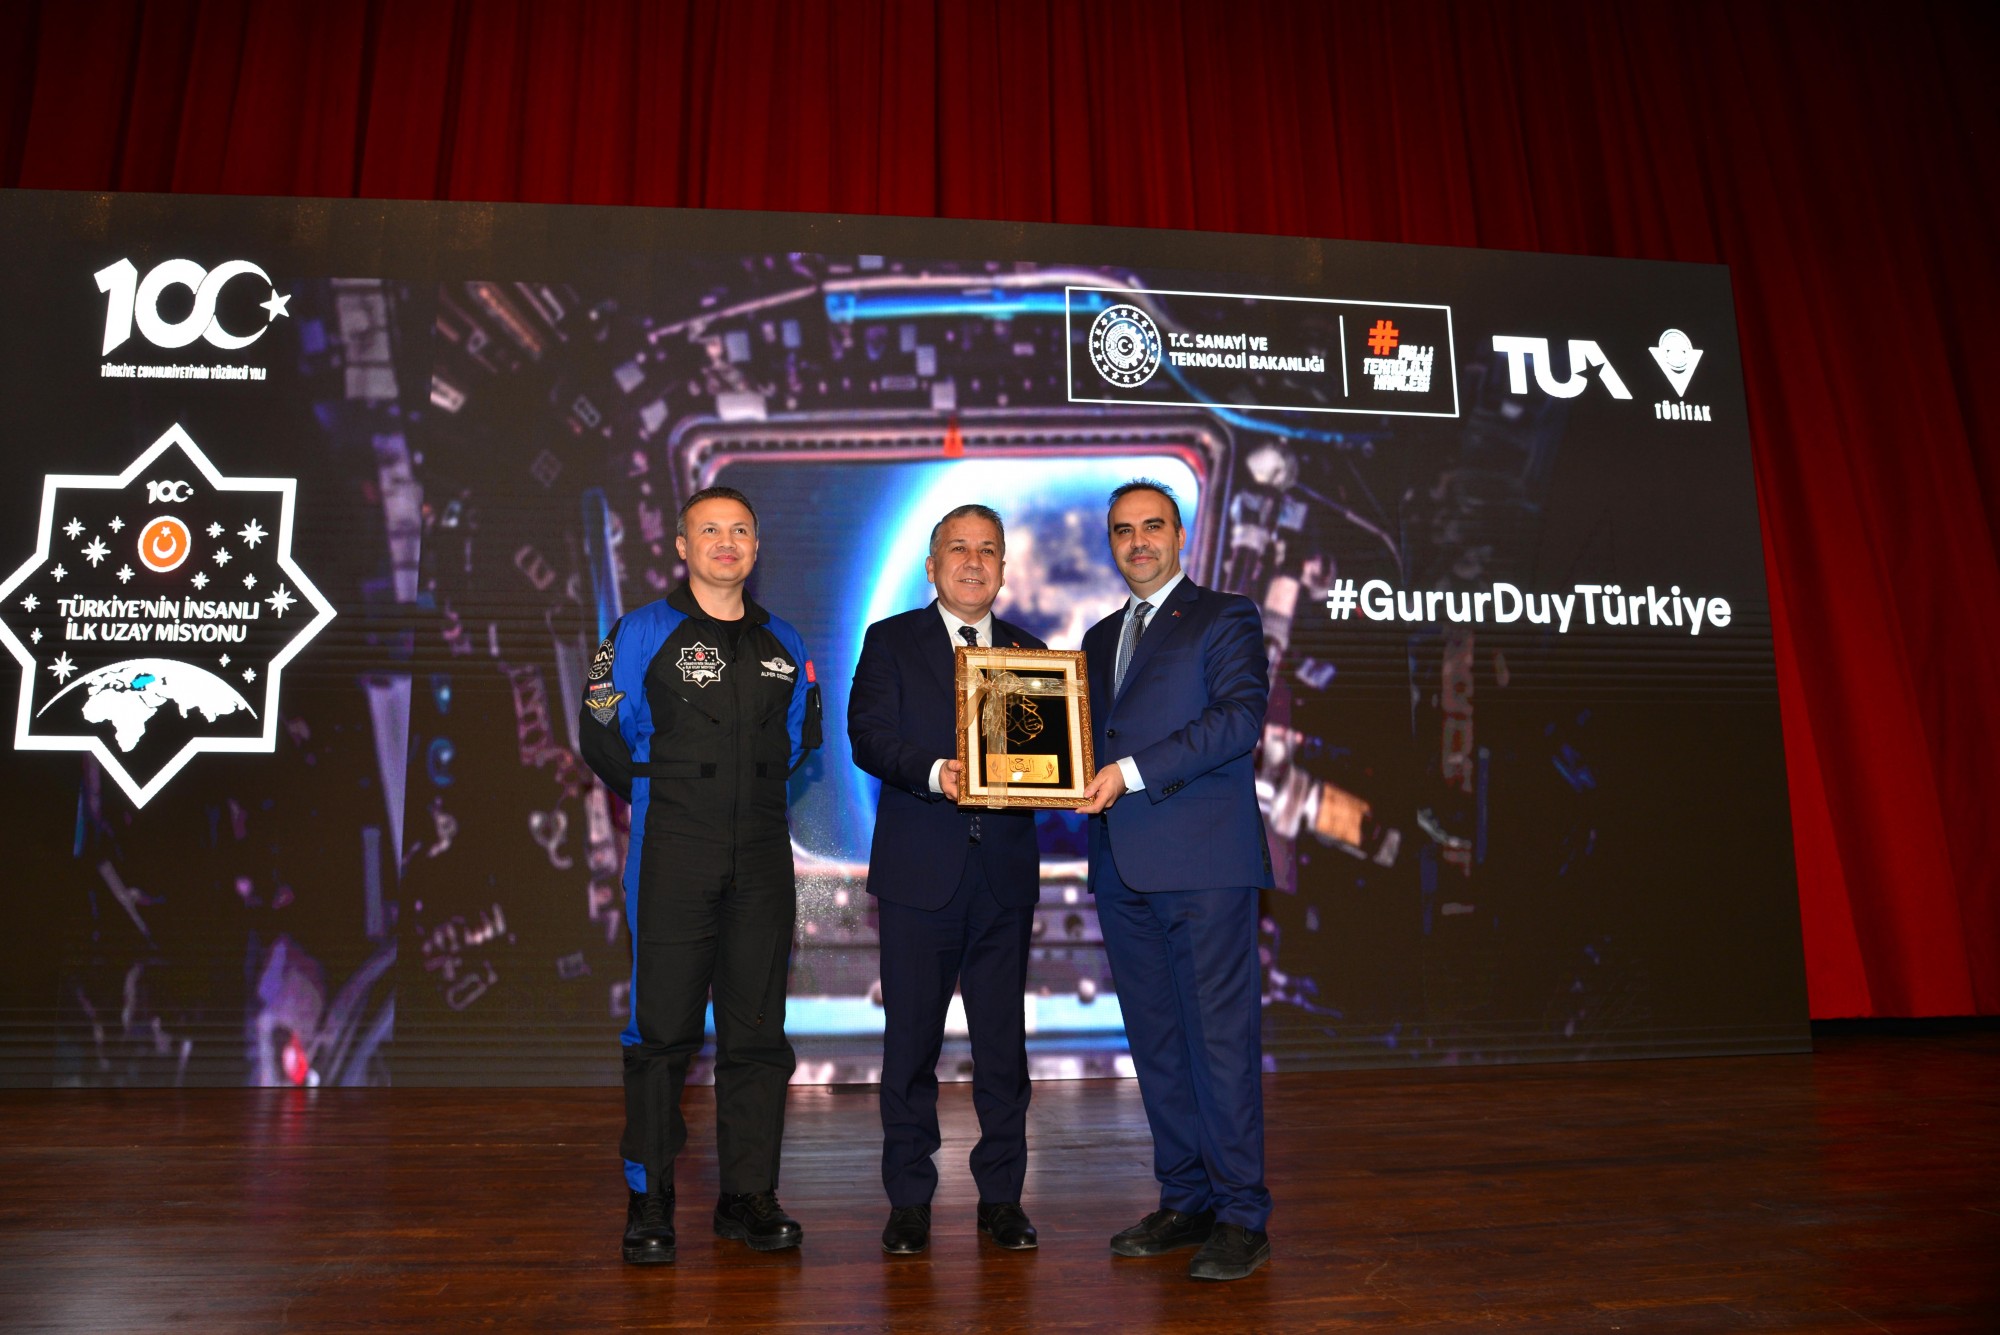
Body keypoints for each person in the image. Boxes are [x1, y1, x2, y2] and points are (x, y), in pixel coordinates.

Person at [577, 485, 821, 1267]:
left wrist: (741, 798)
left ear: (756, 546)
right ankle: (649, 1197)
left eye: (740, 529)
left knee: (757, 1036)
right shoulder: (641, 631)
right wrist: (670, 795)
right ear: (682, 546)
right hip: (672, 853)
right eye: (709, 529)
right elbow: (601, 732)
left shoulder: (784, 641)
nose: (726, 541)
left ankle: (747, 1195)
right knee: (661, 1034)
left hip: (762, 857)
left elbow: (800, 739)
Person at [1074, 479, 1275, 1282]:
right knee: (1156, 1043)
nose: (1138, 542)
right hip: (1121, 867)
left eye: (1152, 526)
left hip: (1205, 866)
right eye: (1123, 530)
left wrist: (1126, 771)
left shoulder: (1226, 616)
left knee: (1219, 1042)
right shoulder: (1097, 637)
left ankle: (1242, 1214)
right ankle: (1186, 1198)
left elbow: (1239, 719)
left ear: (1181, 534)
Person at [848, 503, 1044, 1256]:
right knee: (910, 1048)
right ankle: (909, 1200)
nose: (973, 561)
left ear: (1003, 568)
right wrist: (936, 773)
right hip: (918, 875)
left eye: (988, 549)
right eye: (958, 548)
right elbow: (868, 736)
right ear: (931, 566)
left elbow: (1047, 759)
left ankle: (1002, 1198)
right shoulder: (891, 640)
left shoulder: (1033, 653)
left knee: (1003, 1049)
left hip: (1003, 878)